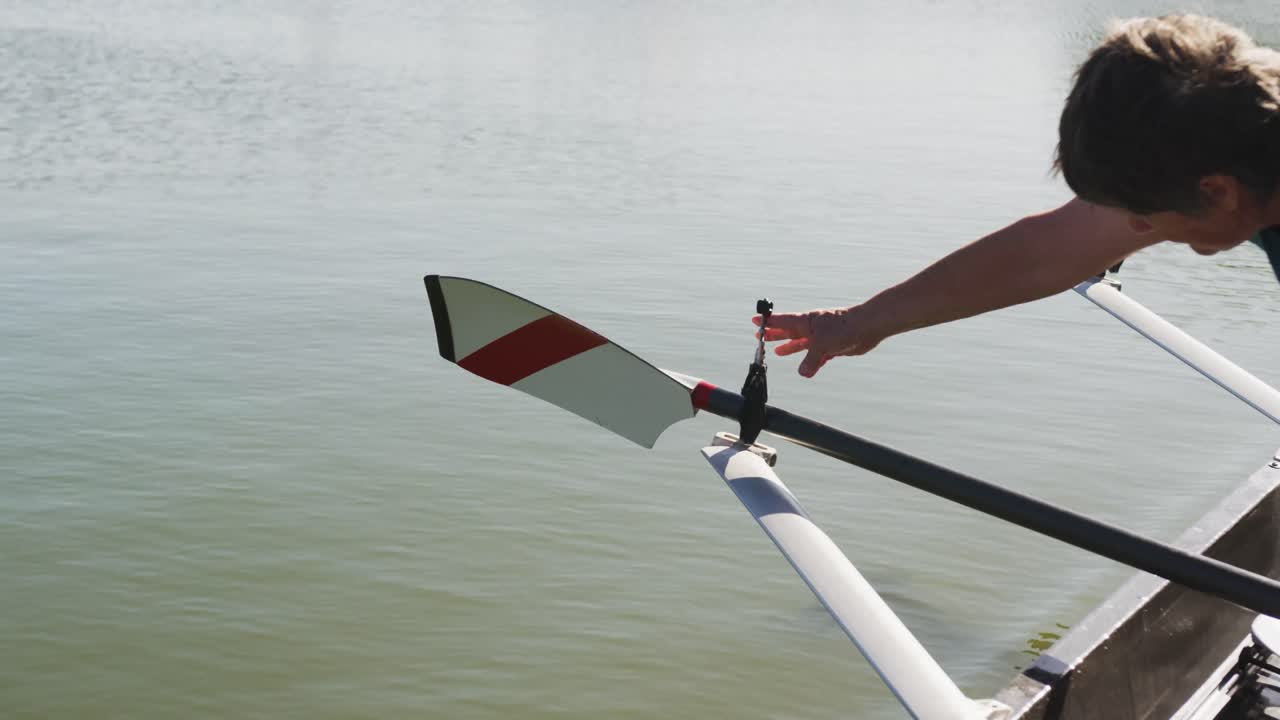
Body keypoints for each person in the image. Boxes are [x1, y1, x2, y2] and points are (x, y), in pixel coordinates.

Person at [757, 14, 1280, 378]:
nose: (1131, 233)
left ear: (1217, 192)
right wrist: (858, 323)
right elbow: (1041, 254)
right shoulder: (1231, 144)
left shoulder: (1226, 163)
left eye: (1142, 216)